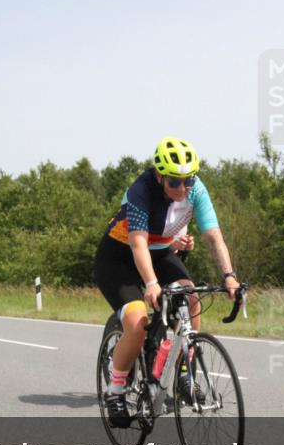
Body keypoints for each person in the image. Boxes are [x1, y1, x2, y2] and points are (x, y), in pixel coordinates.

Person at [94, 138, 239, 427]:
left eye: (188, 180)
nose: (183, 188)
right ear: (159, 176)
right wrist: (150, 283)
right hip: (119, 259)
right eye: (175, 181)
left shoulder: (195, 190)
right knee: (136, 325)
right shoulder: (140, 191)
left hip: (159, 252)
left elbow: (213, 236)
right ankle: (116, 390)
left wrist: (229, 276)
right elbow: (137, 246)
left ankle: (184, 373)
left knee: (191, 297)